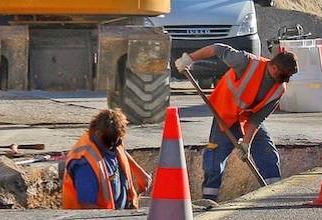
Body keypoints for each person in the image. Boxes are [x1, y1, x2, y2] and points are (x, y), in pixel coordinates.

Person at [175, 44, 298, 201]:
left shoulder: (279, 89)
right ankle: (208, 200)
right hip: (224, 115)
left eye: (288, 76)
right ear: (273, 66)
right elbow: (217, 48)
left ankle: (273, 194)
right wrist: (189, 59)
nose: (284, 79)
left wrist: (246, 143)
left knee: (267, 153)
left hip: (246, 119)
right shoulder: (246, 62)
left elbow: (257, 119)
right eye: (283, 75)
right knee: (215, 158)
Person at [61, 108, 152, 210]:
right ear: (99, 134)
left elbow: (119, 149)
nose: (114, 146)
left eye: (117, 142)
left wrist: (139, 172)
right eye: (112, 143)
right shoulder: (86, 165)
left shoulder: (110, 140)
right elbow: (87, 209)